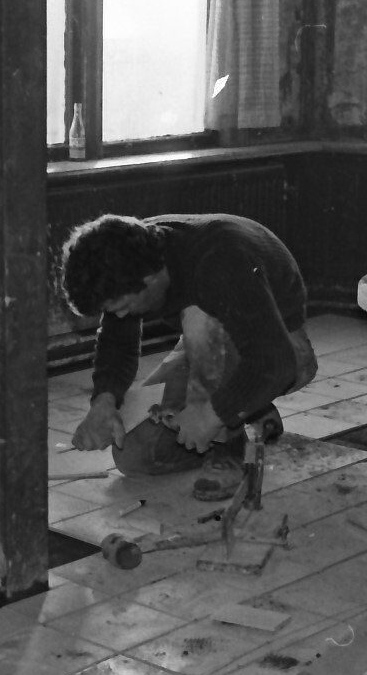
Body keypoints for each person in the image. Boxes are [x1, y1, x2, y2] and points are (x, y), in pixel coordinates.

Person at [57, 213, 318, 500]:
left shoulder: (218, 261)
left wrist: (211, 416)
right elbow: (117, 341)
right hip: (218, 345)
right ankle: (252, 405)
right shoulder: (130, 257)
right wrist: (104, 401)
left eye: (122, 306)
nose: (119, 316)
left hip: (283, 351)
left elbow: (277, 360)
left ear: (150, 278)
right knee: (134, 455)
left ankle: (228, 450)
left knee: (199, 319)